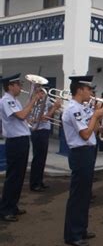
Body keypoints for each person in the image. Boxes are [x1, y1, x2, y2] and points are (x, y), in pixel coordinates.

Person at [62, 75, 103, 246]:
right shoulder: (73, 109)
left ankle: (81, 229)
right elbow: (85, 134)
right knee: (78, 195)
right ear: (80, 90)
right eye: (88, 89)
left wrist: (98, 116)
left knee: (85, 194)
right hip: (80, 153)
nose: (91, 92)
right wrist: (95, 115)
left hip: (87, 151)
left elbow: (93, 130)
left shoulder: (82, 107)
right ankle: (72, 234)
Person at [0, 73, 40, 222]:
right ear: (10, 86)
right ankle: (5, 210)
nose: (21, 87)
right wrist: (33, 99)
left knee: (19, 176)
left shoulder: (14, 101)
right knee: (13, 177)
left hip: (21, 140)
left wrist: (35, 108)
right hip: (15, 142)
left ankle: (13, 205)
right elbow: (22, 115)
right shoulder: (6, 101)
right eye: (19, 84)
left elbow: (24, 117)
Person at [29, 88, 62, 192]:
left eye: (43, 92)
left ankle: (39, 181)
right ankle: (34, 183)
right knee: (38, 158)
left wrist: (56, 106)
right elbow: (43, 118)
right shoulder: (32, 103)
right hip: (37, 131)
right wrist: (54, 108)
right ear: (35, 93)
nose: (42, 94)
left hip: (45, 131)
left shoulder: (46, 101)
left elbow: (51, 113)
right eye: (40, 92)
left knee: (42, 158)